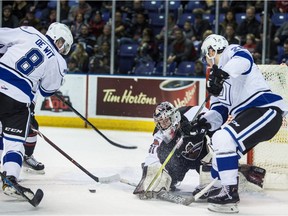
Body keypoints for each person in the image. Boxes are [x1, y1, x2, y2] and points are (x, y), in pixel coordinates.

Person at [197, 34, 288, 213]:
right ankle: (219, 187)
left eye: (206, 56)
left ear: (211, 50)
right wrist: (201, 124)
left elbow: (244, 59)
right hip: (249, 116)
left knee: (223, 138)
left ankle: (229, 193)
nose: (206, 61)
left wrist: (221, 74)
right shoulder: (216, 81)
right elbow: (219, 113)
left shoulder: (231, 53)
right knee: (219, 141)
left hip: (264, 109)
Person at [0, 22, 73, 200]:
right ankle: (10, 177)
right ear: (56, 37)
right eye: (62, 43)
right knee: (14, 143)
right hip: (17, 100)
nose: (62, 48)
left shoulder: (28, 32)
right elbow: (46, 90)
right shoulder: (57, 61)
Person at [133, 101, 212, 197]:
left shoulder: (190, 113)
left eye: (166, 121)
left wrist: (197, 127)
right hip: (181, 160)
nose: (163, 125)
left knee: (213, 144)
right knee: (161, 153)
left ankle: (211, 184)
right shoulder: (160, 133)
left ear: (174, 117)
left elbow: (212, 116)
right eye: (160, 122)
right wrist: (150, 172)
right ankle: (167, 178)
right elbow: (153, 154)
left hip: (201, 155)